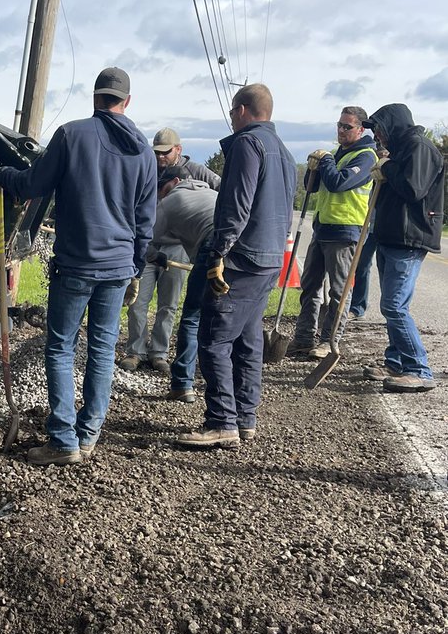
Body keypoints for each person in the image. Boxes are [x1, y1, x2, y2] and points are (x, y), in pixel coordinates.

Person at [0, 67, 156, 464]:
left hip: (77, 264)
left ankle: (63, 441)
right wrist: (134, 265)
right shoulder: (145, 153)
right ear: (126, 102)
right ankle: (89, 433)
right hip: (117, 268)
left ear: (95, 98)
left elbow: (32, 185)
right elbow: (145, 220)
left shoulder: (72, 134)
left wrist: (1, 176)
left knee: (62, 347)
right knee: (101, 350)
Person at [177, 83, 296, 448]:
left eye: (232, 111)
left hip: (242, 257)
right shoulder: (285, 152)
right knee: (247, 340)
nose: (231, 117)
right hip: (270, 257)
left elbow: (236, 204)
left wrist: (218, 253)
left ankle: (222, 421)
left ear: (243, 110)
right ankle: (246, 417)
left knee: (213, 338)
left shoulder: (248, 144)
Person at [119, 129, 220, 374]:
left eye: (166, 152)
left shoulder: (196, 171)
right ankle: (135, 351)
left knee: (169, 303)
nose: (161, 157)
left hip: (177, 247)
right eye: (157, 153)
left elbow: (222, 188)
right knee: (138, 300)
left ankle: (159, 353)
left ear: (178, 150)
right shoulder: (148, 169)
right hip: (147, 243)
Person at [359, 103, 444, 392]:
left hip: (409, 239)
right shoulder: (399, 150)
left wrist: (387, 166)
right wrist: (384, 167)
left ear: (393, 125)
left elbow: (413, 188)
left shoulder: (419, 147)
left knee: (394, 306)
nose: (378, 136)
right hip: (391, 236)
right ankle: (395, 363)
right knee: (394, 305)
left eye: (380, 129)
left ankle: (419, 369)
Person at [287, 107, 376, 359]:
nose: (341, 130)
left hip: (346, 231)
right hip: (323, 228)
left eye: (347, 127)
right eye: (339, 125)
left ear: (360, 129)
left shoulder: (366, 156)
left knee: (339, 291)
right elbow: (312, 187)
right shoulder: (339, 153)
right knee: (310, 286)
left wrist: (325, 161)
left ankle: (328, 341)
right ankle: (304, 337)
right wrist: (313, 169)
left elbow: (339, 183)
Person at [147, 165, 218, 403]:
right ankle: (230, 393)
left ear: (175, 181)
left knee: (192, 316)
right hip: (241, 245)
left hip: (212, 246)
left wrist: (155, 256)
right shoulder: (211, 193)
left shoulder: (167, 203)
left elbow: (145, 242)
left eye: (162, 188)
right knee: (226, 320)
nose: (160, 194)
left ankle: (183, 384)